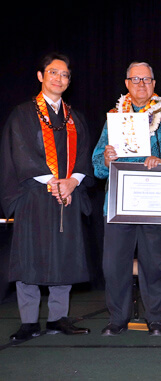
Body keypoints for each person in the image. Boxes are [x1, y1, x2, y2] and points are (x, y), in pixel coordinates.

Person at [92, 62, 161, 336]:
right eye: (135, 79)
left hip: (155, 202)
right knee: (113, 265)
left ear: (154, 84)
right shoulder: (114, 118)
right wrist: (106, 157)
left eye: (146, 80)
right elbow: (97, 165)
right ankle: (117, 319)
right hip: (117, 204)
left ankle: (155, 319)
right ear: (126, 83)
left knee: (153, 264)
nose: (141, 84)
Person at [0, 53, 92, 341]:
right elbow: (20, 153)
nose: (59, 79)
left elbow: (85, 158)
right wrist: (52, 181)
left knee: (63, 256)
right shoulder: (23, 114)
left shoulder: (74, 117)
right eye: (53, 73)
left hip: (67, 196)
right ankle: (28, 322)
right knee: (30, 256)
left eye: (65, 75)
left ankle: (58, 318)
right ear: (41, 76)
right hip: (33, 195)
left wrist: (73, 183)